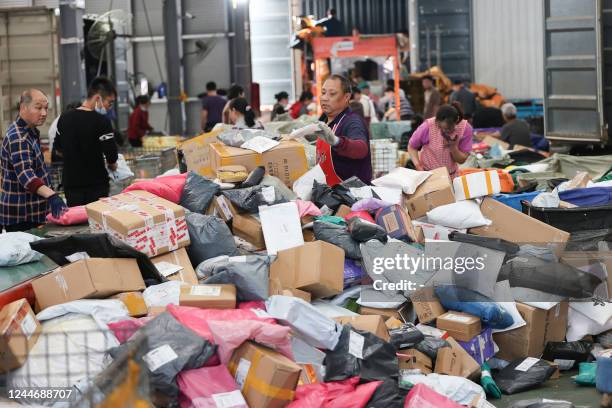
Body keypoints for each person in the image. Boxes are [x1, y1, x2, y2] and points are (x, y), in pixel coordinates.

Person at [1, 89, 67, 232]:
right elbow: (26, 174)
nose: (44, 113)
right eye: (38, 108)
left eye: (46, 108)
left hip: (32, 213)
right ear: (23, 107)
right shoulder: (19, 137)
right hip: (23, 216)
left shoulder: (30, 132)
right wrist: (51, 195)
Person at [55, 77, 118, 207]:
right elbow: (111, 156)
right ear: (97, 98)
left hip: (71, 186)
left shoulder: (64, 118)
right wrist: (113, 165)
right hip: (97, 186)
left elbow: (58, 150)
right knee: (96, 224)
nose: (109, 107)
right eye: (109, 103)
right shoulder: (102, 121)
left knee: (77, 225)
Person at [302, 74, 372, 185]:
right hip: (330, 194)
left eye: (332, 94)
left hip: (351, 196)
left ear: (346, 97)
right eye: (323, 93)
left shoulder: (352, 121)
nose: (325, 98)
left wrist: (336, 141)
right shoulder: (326, 120)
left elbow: (361, 149)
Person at [408, 102, 473, 178]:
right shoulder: (428, 126)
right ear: (436, 120)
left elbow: (461, 160)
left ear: (457, 121)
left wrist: (453, 147)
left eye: (448, 129)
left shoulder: (465, 128)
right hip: (429, 175)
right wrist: (418, 165)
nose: (443, 131)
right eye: (440, 127)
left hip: (451, 176)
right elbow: (411, 147)